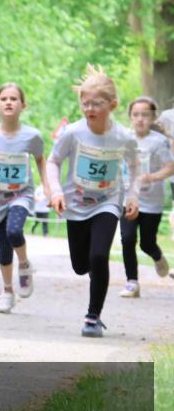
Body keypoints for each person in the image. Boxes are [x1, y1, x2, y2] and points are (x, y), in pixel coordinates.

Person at [46, 65, 140, 338]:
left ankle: (93, 316)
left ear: (112, 105)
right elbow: (53, 161)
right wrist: (56, 192)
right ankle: (94, 273)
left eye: (97, 104)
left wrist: (132, 195)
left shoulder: (123, 137)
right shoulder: (73, 132)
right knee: (81, 265)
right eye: (85, 103)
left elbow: (135, 167)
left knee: (99, 256)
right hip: (75, 204)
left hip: (107, 202)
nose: (90, 109)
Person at [0, 83, 49, 313]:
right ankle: (7, 292)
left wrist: (47, 187)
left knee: (14, 231)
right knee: (4, 247)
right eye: (4, 99)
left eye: (14, 99)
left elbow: (40, 159)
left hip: (21, 193)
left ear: (23, 105)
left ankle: (24, 264)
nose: (9, 102)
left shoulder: (32, 136)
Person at [118, 96, 174, 297]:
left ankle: (157, 256)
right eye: (136, 114)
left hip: (152, 201)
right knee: (127, 239)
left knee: (147, 243)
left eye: (145, 115)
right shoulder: (123, 138)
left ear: (153, 118)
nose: (140, 119)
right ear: (130, 117)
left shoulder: (159, 141)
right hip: (128, 198)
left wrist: (150, 177)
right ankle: (132, 282)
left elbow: (170, 168)